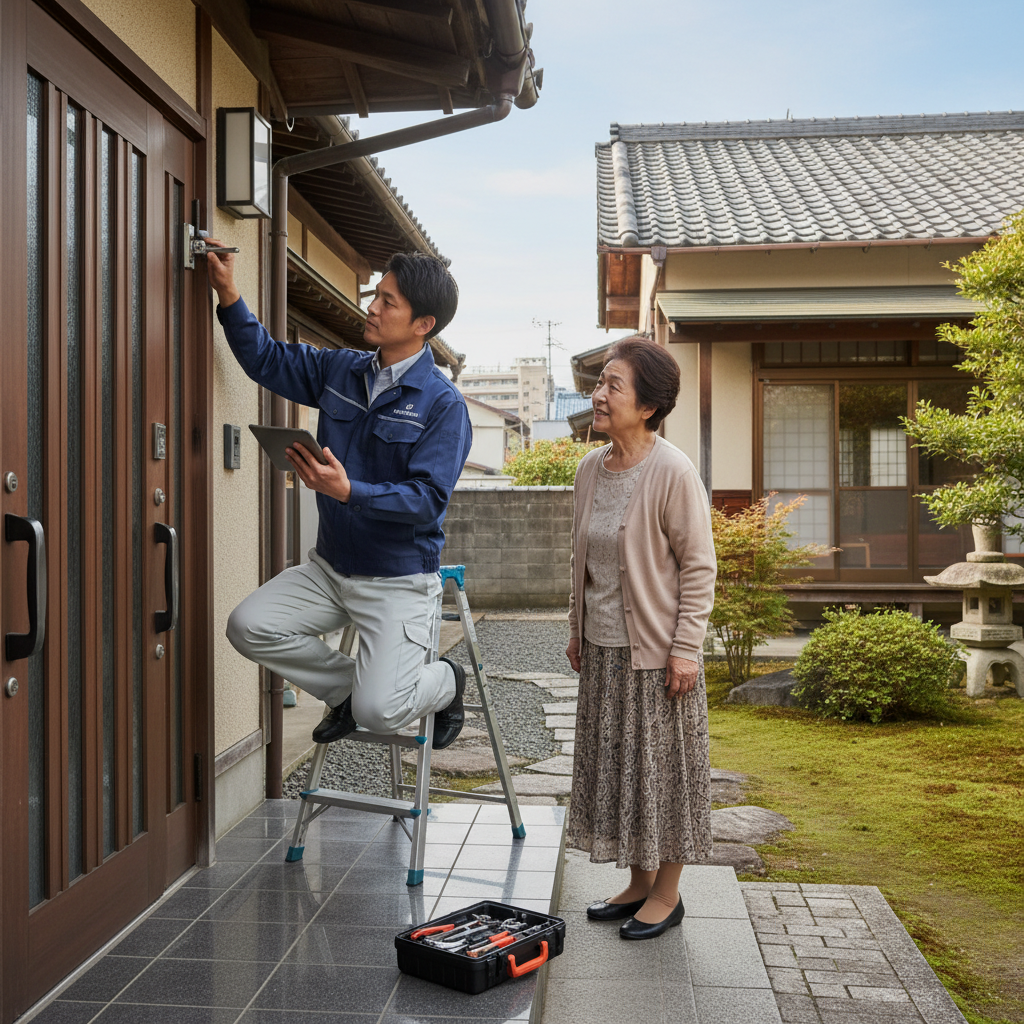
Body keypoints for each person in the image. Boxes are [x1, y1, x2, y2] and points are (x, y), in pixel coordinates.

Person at [206, 245, 472, 750]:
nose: (372, 307)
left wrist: (350, 491)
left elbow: (426, 500)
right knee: (248, 626)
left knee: (383, 712)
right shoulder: (340, 371)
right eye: (377, 295)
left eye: (388, 302)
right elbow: (264, 358)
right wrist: (228, 293)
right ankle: (352, 692)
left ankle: (445, 682)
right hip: (330, 569)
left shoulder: (443, 405)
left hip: (397, 581)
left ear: (423, 323)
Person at [564, 336, 717, 941]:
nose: (599, 394)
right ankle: (637, 881)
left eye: (613, 385)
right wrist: (575, 626)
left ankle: (668, 894)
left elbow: (699, 565)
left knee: (665, 776)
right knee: (624, 773)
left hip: (658, 658)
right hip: (603, 653)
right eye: (600, 382)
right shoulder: (589, 470)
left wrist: (687, 647)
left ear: (648, 406)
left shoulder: (673, 470)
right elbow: (582, 559)